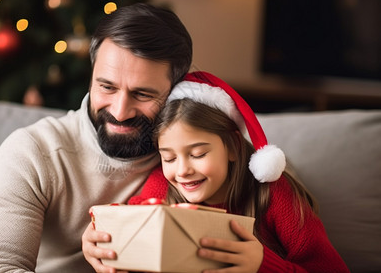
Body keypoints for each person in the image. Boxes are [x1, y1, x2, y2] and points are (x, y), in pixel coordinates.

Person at [0, 3, 192, 272]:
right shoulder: (34, 151)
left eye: (142, 95)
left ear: (177, 92)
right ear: (91, 79)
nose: (119, 112)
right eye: (107, 87)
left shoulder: (195, 158)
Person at [83, 71, 350, 272]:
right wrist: (103, 235)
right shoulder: (163, 187)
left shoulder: (275, 195)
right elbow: (130, 226)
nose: (183, 170)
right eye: (169, 158)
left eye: (198, 154)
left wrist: (262, 264)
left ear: (233, 147)